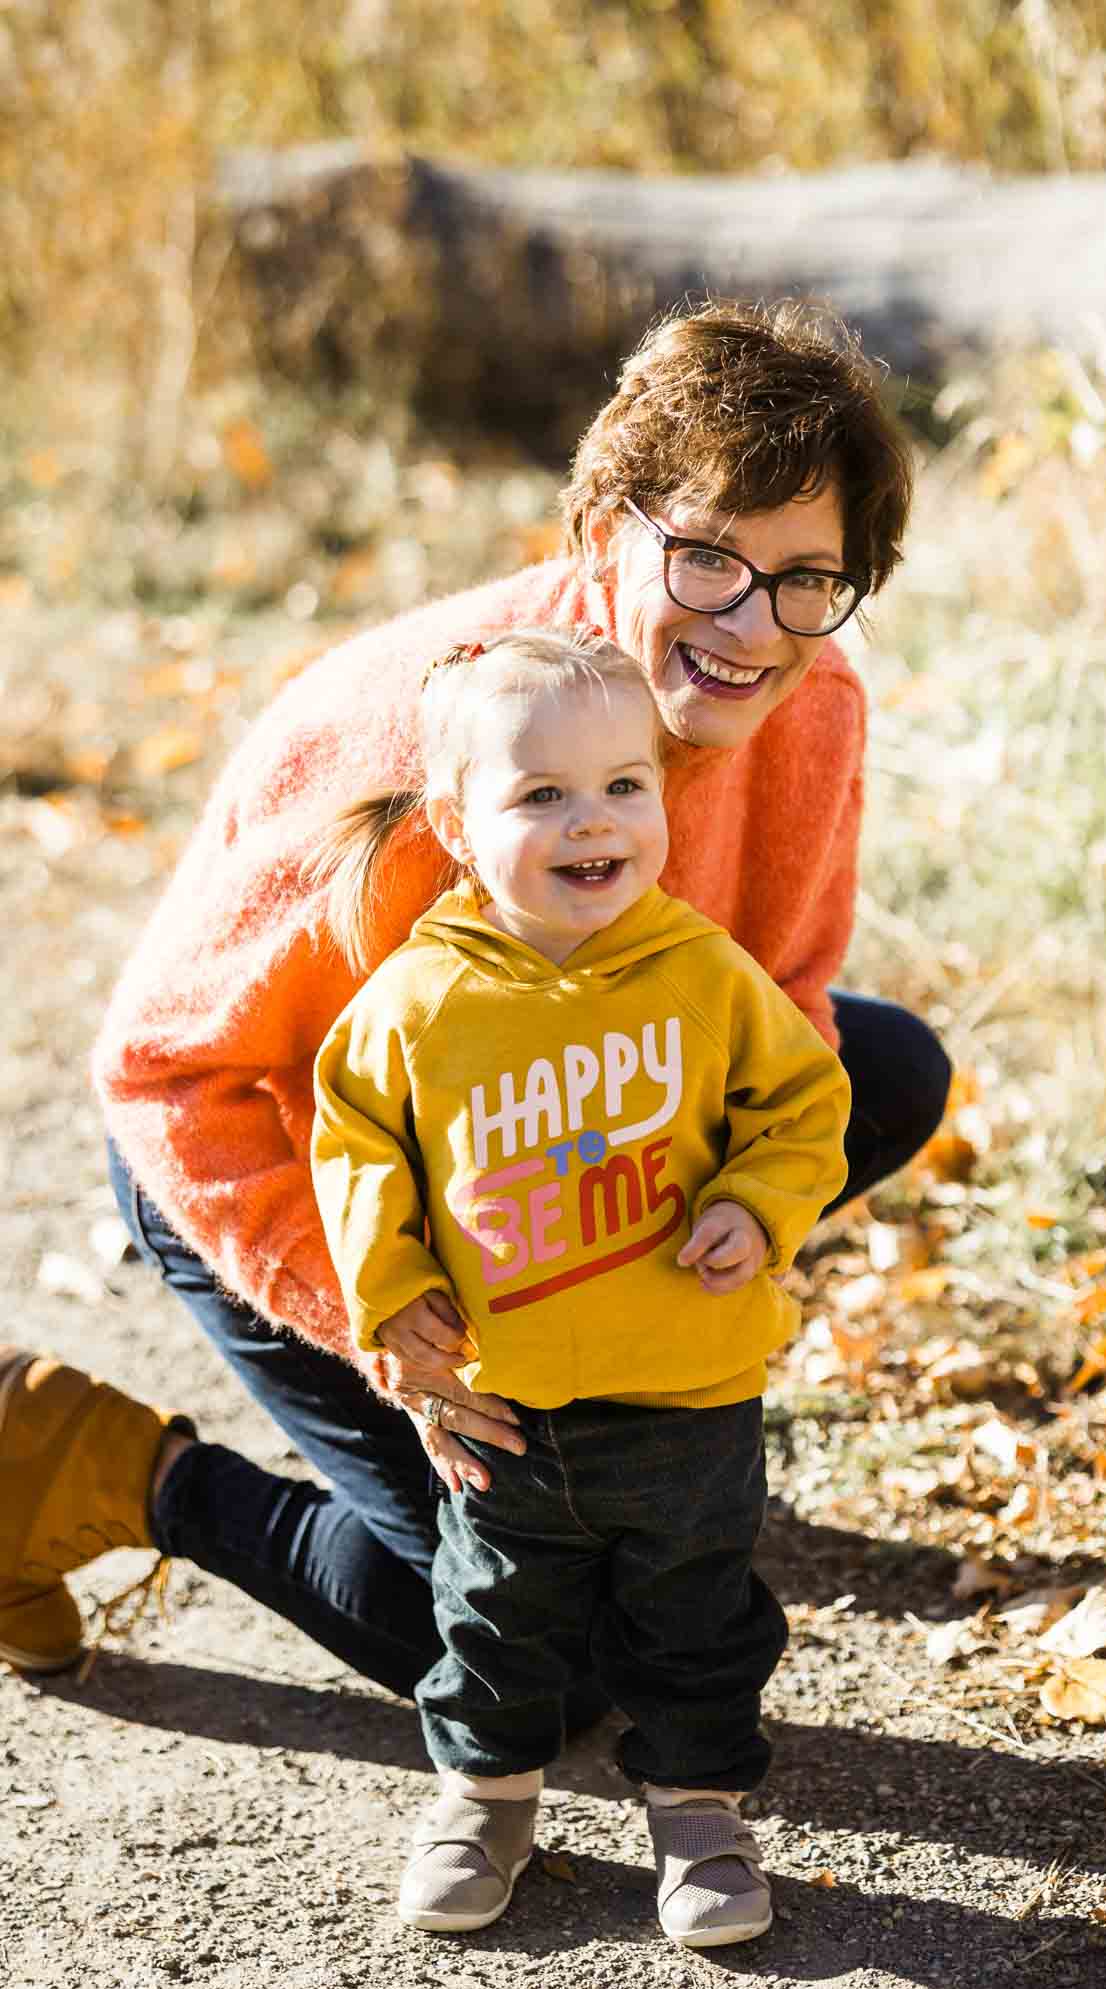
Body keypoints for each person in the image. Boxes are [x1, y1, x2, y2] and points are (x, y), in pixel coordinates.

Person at [0, 296, 950, 1884]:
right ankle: (87, 1467)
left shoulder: (807, 704)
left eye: (807, 579)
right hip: (290, 1163)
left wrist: (731, 1224)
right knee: (552, 1663)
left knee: (884, 1069)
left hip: (557, 1143)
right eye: (707, 557)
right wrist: (391, 1321)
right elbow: (172, 1075)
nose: (752, 623)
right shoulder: (411, 744)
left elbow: (773, 1002)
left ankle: (616, 1422)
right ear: (605, 524)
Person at [308, 627, 851, 1942]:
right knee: (492, 1615)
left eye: (622, 784)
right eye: (540, 794)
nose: (591, 820)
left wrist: (753, 1202)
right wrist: (389, 1295)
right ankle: (482, 1802)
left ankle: (700, 1812)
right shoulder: (419, 1001)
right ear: (454, 817)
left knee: (695, 1615)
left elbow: (801, 1100)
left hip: (688, 1393)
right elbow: (353, 1143)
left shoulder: (700, 971)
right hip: (510, 1401)